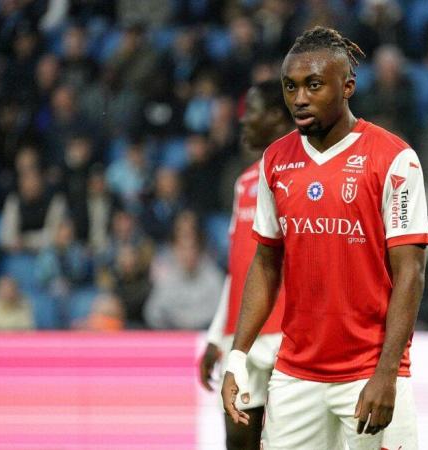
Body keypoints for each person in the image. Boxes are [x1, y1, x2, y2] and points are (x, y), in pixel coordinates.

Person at [221, 26, 428, 450]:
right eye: (290, 86)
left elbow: (410, 273)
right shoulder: (275, 161)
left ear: (347, 86)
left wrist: (387, 373)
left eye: (313, 85)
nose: (299, 98)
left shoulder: (394, 158)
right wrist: (237, 356)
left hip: (369, 371)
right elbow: (264, 265)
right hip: (296, 375)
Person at [199, 79, 293, 450]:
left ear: (274, 117)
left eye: (250, 112)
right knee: (237, 440)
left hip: (287, 336)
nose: (242, 122)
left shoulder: (300, 176)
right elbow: (239, 267)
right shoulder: (245, 182)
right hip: (244, 339)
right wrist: (214, 336)